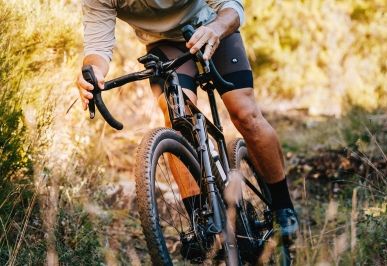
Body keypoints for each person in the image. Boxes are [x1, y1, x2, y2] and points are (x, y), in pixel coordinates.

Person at [76, 0, 299, 260]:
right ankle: (200, 220)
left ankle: (284, 207)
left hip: (213, 27)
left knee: (245, 113)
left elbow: (232, 7)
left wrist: (215, 29)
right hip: (163, 43)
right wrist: (91, 73)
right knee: (177, 118)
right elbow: (97, 50)